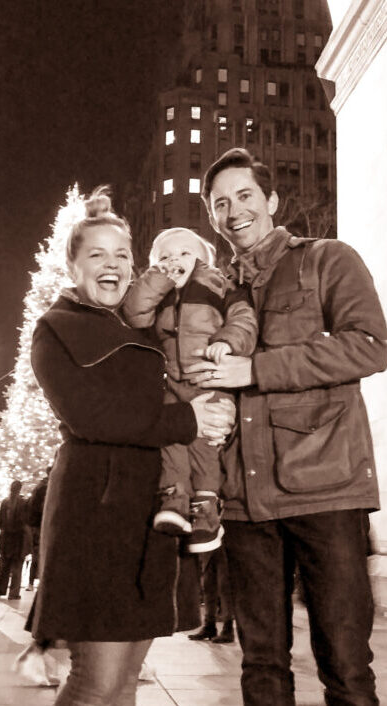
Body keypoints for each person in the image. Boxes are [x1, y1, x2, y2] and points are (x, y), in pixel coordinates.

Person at [184, 147, 387, 705]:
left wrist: (256, 368)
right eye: (219, 203)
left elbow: (371, 345)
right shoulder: (215, 289)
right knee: (262, 667)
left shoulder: (327, 259)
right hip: (246, 502)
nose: (233, 212)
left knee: (346, 667)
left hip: (326, 491)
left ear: (271, 200)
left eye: (244, 196)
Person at [30, 186, 234, 706]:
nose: (113, 264)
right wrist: (188, 419)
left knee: (123, 684)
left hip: (149, 520)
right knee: (95, 682)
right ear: (73, 265)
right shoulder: (56, 328)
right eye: (96, 254)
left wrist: (215, 412)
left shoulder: (144, 328)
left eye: (122, 254)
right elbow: (91, 416)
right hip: (94, 520)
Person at [123, 227, 257, 553]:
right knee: (172, 441)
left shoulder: (218, 283)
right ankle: (174, 499)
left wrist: (227, 342)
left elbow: (243, 318)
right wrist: (159, 278)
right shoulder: (159, 292)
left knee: (204, 444)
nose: (174, 260)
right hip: (171, 381)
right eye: (165, 257)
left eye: (184, 253)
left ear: (203, 259)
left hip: (207, 378)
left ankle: (207, 512)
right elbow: (135, 312)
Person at [188, 545, 235, 644]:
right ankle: (209, 625)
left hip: (225, 542)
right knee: (208, 585)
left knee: (224, 587)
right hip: (209, 544)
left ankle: (228, 628)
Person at [0, 480, 28, 600]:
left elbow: (0, 522)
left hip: (5, 539)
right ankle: (13, 593)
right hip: (18, 539)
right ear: (20, 489)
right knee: (17, 567)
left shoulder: (5, 502)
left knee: (3, 567)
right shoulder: (23, 502)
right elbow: (25, 521)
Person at [26, 466, 51, 591]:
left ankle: (31, 582)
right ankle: (39, 582)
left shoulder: (39, 487)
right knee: (41, 555)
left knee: (36, 555)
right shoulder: (47, 488)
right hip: (41, 525)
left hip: (34, 525)